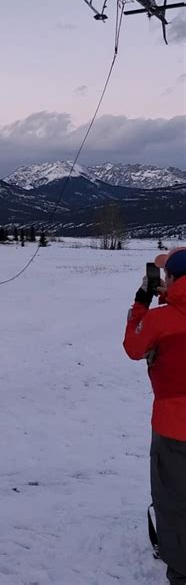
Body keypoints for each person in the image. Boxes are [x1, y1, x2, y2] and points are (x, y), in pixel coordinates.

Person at [123, 248, 186, 585]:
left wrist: (142, 302)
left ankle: (181, 571)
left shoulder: (160, 321)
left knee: (174, 500)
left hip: (174, 428)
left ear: (171, 279)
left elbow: (133, 345)